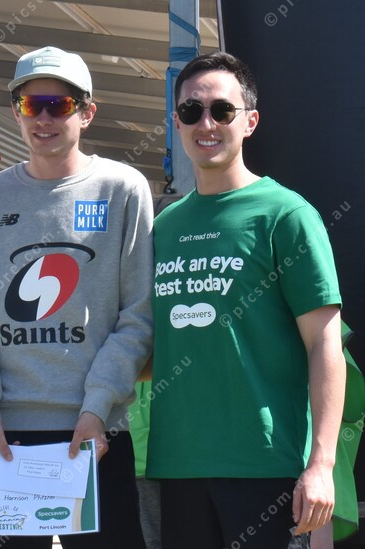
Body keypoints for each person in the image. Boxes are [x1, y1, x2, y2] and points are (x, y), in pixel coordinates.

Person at [0, 45, 154, 548]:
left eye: (58, 105)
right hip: (4, 436)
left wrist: (98, 406)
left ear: (87, 112)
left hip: (98, 433)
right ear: (16, 112)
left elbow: (138, 315)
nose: (43, 118)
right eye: (30, 104)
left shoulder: (122, 188)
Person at [147, 51, 345, 549]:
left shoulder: (286, 215)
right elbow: (153, 346)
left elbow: (325, 345)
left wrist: (321, 464)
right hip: (179, 466)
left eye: (222, 110)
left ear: (250, 121)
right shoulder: (164, 227)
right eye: (191, 111)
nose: (206, 124)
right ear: (176, 121)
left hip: (267, 466)